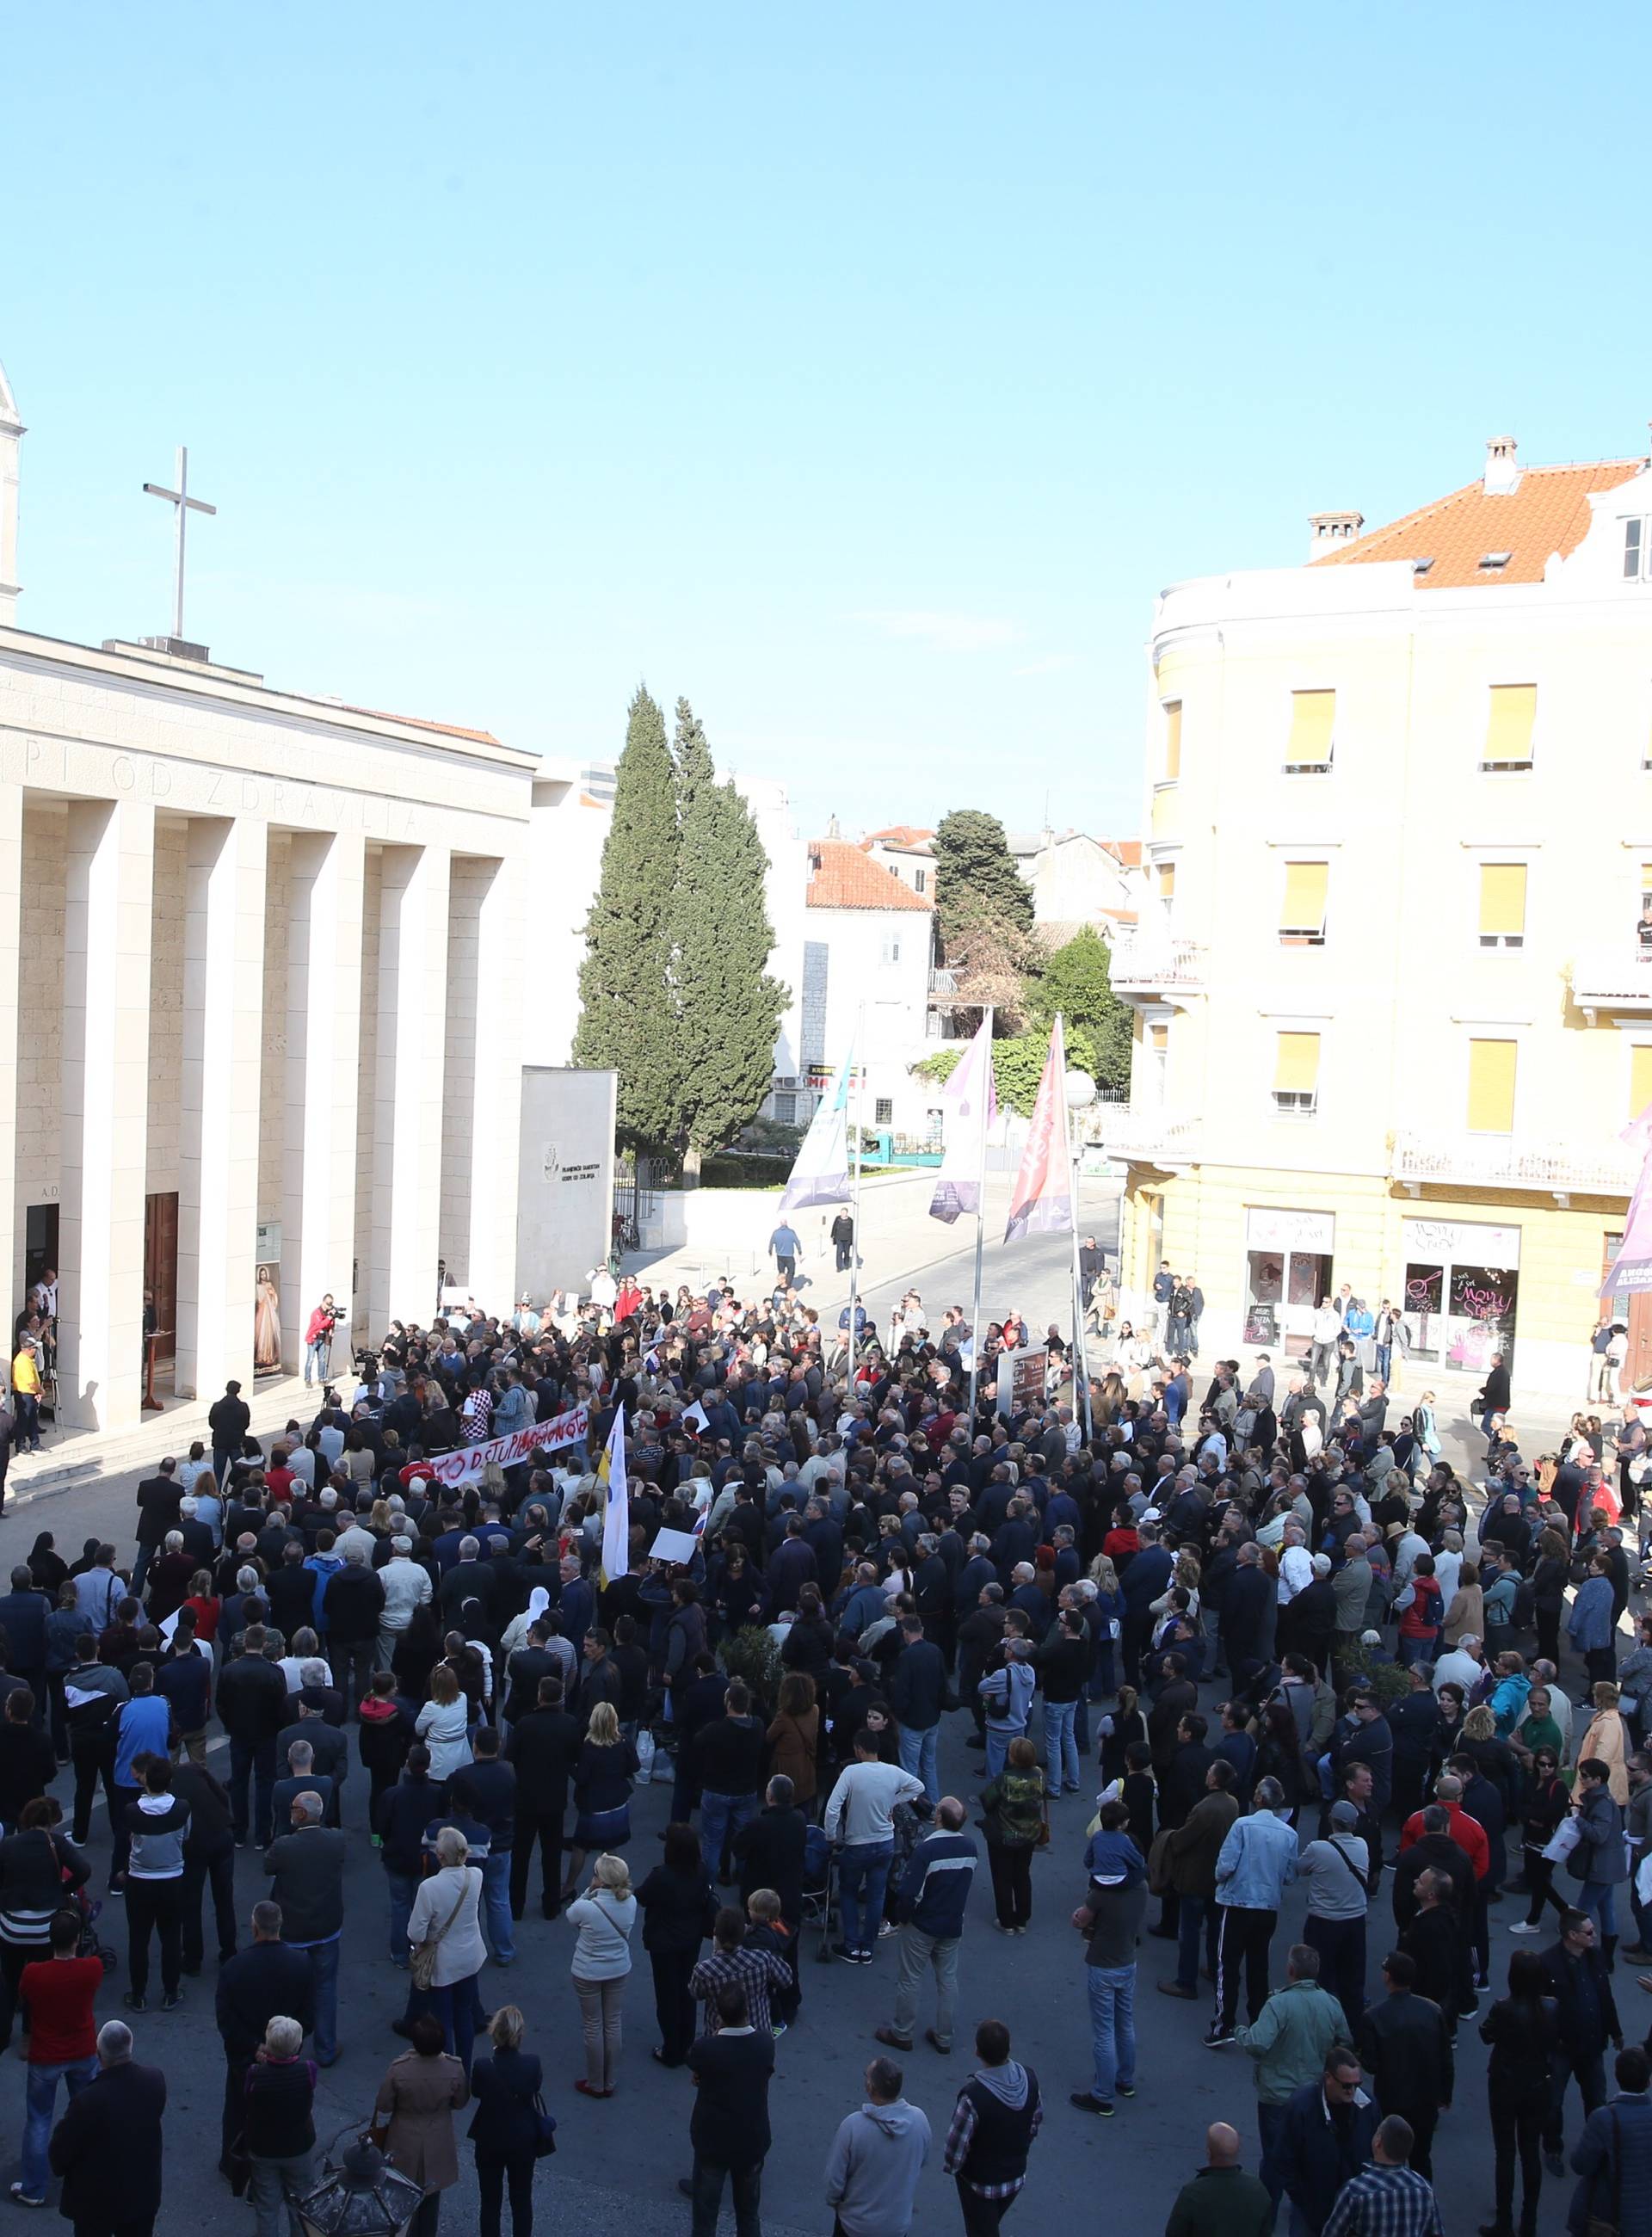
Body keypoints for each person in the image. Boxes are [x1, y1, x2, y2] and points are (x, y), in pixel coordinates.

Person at [1234, 1943, 1352, 2203]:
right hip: (1313, 2095)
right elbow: (1345, 2042)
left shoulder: (1278, 2004)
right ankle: (1305, 2205)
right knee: (1306, 2154)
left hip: (1277, 2096)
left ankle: (1267, 2213)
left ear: (1290, 1970)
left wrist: (1240, 2033)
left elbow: (1258, 2044)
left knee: (1275, 2158)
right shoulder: (1331, 2004)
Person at [9, 1908, 102, 2210]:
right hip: (83, 2051)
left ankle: (34, 2188)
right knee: (88, 2116)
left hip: (46, 2055)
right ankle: (91, 2179)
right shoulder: (92, 1969)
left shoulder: (34, 1974)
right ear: (77, 1940)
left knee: (38, 2121)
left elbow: (24, 1997)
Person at [215, 1901, 315, 2177]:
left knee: (238, 2109)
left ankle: (235, 2166)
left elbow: (226, 2020)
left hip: (245, 2056)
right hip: (286, 2053)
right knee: (283, 2112)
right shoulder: (301, 1964)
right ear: (280, 1925)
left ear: (254, 1927)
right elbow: (308, 2018)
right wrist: (278, 2045)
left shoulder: (234, 1968)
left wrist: (255, 2046)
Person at [876, 1794, 977, 2056]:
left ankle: (902, 2032)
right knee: (948, 1981)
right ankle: (944, 2036)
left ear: (939, 1818)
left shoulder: (926, 1850)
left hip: (923, 1925)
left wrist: (902, 1917)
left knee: (910, 1978)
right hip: (952, 1924)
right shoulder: (970, 1847)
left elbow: (910, 1893)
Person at [46, 2019, 167, 2237]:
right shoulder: (155, 2080)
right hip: (142, 2196)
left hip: (96, 2204)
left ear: (99, 2055)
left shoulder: (87, 2101)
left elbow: (60, 2154)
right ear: (130, 2047)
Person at [1069, 1796, 1148, 2116]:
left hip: (1102, 1962)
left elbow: (1080, 1919)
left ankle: (1103, 2093)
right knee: (1124, 2022)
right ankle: (1125, 2079)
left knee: (1103, 2031)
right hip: (1128, 1960)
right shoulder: (1140, 1889)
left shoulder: (1099, 1895)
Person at [681, 1981, 774, 2237]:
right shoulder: (765, 2043)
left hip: (713, 2140)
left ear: (720, 2014)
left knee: (705, 2216)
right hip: (751, 2139)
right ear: (747, 2009)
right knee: (748, 2214)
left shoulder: (706, 2048)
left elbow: (695, 2063)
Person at [1210, 1777, 1299, 2044]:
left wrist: (1221, 1879)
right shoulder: (1289, 1834)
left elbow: (1225, 1865)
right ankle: (1259, 2022)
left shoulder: (1243, 1825)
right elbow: (1291, 1876)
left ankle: (1223, 2024)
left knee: (1228, 1965)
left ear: (1258, 1798)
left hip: (1238, 1902)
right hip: (1267, 1906)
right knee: (1259, 1965)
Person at [823, 1730, 924, 1964]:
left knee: (848, 1891)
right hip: (884, 1843)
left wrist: (830, 1836)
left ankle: (851, 1945)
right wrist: (893, 1801)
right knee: (876, 1894)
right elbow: (917, 1787)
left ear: (858, 1749)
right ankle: (867, 1947)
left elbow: (832, 1808)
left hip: (858, 1844)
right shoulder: (893, 1772)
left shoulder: (851, 1773)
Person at [1477, 1946, 1559, 2237]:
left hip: (1505, 2084)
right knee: (1530, 2153)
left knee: (1506, 2153)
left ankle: (1504, 2219)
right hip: (1537, 2084)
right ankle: (1529, 2222)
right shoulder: (1550, 2008)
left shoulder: (1504, 2008)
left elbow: (1486, 2034)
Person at [262, 1790, 345, 2064]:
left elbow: (268, 1867)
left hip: (293, 1931)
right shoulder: (336, 1840)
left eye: (293, 1807)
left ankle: (287, 2047)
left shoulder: (284, 1846)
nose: (289, 1811)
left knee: (288, 1991)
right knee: (325, 1988)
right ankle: (326, 2048)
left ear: (301, 1814)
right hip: (326, 1927)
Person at [1355, 1949, 1452, 2180]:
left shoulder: (1374, 2016)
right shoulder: (1432, 2010)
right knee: (1421, 2158)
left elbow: (1371, 2064)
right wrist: (1444, 2094)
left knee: (1386, 2158)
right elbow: (1446, 2057)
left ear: (1387, 1977)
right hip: (1425, 2100)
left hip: (1392, 2100)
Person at [373, 2011, 471, 2237]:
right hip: (438, 2139)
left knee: (401, 2199)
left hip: (403, 2139)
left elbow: (384, 2105)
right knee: (431, 2198)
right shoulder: (454, 2068)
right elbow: (461, 2101)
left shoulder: (399, 2069)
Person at [942, 2018, 1042, 2236]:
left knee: (981, 2230)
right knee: (988, 2225)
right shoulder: (1030, 2079)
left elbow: (955, 2148)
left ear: (977, 2052)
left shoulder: (974, 2098)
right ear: (1008, 2048)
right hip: (1015, 2177)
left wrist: (955, 2169)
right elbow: (1034, 2123)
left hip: (979, 2184)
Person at [1540, 1907, 1620, 2175]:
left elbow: (1605, 1997)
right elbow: (1539, 2009)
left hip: (1592, 2044)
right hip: (1561, 2048)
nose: (1594, 1935)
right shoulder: (1547, 1963)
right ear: (1572, 1935)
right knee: (1552, 2103)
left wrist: (1615, 2031)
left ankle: (1597, 2149)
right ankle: (1553, 2148)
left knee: (1597, 2101)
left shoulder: (1596, 1956)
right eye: (1588, 1932)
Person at [1272, 2045, 1378, 2237]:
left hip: (1355, 2209)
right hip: (1312, 2210)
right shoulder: (1301, 2107)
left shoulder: (1367, 2106)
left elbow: (1377, 2150)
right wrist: (1303, 2198)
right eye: (1346, 2085)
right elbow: (1283, 2158)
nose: (1352, 2091)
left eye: (1357, 2084)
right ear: (1328, 2078)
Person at [407, 1824, 487, 2076]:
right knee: (464, 2014)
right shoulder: (475, 1875)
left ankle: (449, 2076)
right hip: (470, 1957)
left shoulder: (429, 1888)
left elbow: (416, 1933)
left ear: (439, 1856)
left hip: (442, 1964)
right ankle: (464, 2070)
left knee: (443, 2020)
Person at [637, 1820, 717, 2068]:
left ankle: (672, 2049)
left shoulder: (661, 1876)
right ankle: (687, 2042)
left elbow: (640, 1897)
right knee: (687, 1991)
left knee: (667, 1995)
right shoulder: (701, 1870)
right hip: (690, 1939)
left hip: (664, 1943)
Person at [825, 2054, 933, 2237]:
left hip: (854, 2226)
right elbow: (922, 2160)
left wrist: (836, 2202)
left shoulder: (853, 2126)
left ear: (870, 2087)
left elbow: (834, 2181)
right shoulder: (919, 2120)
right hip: (896, 2226)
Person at [468, 2004, 545, 2237]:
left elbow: (477, 2093)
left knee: (490, 2201)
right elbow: (535, 2088)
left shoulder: (483, 2066)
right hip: (523, 2139)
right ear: (520, 2034)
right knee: (521, 2200)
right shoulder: (532, 2064)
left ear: (494, 2032)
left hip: (490, 2138)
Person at [122, 1754, 190, 2015]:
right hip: (172, 1878)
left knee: (139, 1938)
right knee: (171, 1936)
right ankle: (170, 1992)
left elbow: (128, 1840)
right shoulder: (182, 1808)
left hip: (140, 1880)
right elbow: (187, 1836)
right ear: (169, 1781)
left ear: (146, 1780)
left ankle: (138, 1994)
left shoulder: (132, 1811)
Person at [565, 1851, 635, 2098]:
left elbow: (571, 1914)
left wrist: (588, 1890)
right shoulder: (631, 1902)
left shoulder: (588, 1907)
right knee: (613, 2022)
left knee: (593, 2026)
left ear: (601, 1880)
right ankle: (611, 2080)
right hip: (618, 1969)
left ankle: (596, 2082)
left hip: (588, 1972)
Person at [243, 2012, 317, 2237]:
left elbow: (248, 2097)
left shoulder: (255, 2074)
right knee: (301, 2205)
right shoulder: (308, 2070)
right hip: (299, 2145)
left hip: (264, 2147)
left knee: (266, 2206)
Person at [1569, 2043, 1652, 2237]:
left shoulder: (1604, 2118)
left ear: (1617, 2076)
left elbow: (1580, 2165)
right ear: (1647, 2082)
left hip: (1609, 2216)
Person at [1319, 2114, 1442, 2237]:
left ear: (1378, 2142)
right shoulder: (1425, 2189)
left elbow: (1332, 2233)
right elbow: (1436, 2233)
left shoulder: (1355, 2191)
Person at [979, 1735, 1045, 1937]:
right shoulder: (1038, 1776)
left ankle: (1007, 1922)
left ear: (1013, 1757)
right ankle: (1022, 1919)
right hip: (1029, 1835)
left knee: (1002, 1878)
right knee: (1022, 1875)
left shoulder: (1004, 1779)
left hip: (1003, 1836)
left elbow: (987, 1800)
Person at [1163, 2122, 1276, 2237]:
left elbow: (1174, 2233)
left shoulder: (1192, 2194)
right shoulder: (1258, 2190)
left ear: (1208, 2153)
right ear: (1238, 2152)